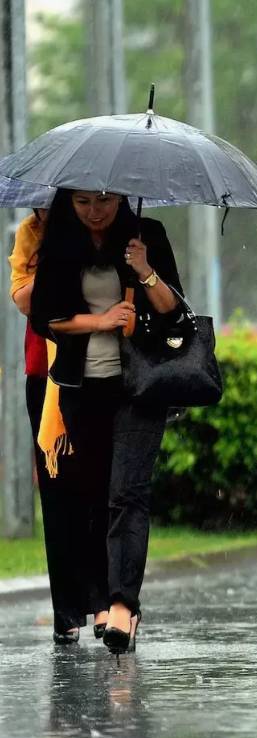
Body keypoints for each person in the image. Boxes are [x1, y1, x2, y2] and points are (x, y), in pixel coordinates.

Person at [30, 189, 184, 654]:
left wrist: (144, 270)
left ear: (121, 198)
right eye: (82, 203)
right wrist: (98, 323)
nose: (94, 212)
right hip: (82, 389)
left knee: (128, 493)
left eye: (104, 201)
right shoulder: (60, 243)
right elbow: (44, 318)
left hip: (138, 387)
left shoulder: (147, 235)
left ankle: (123, 606)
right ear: (67, 205)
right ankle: (100, 598)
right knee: (93, 495)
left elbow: (175, 312)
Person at [9, 207, 98, 644]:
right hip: (44, 373)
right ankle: (67, 611)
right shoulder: (32, 234)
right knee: (57, 488)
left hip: (101, 370)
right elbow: (23, 299)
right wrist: (56, 264)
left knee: (97, 487)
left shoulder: (104, 229)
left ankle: (104, 602)